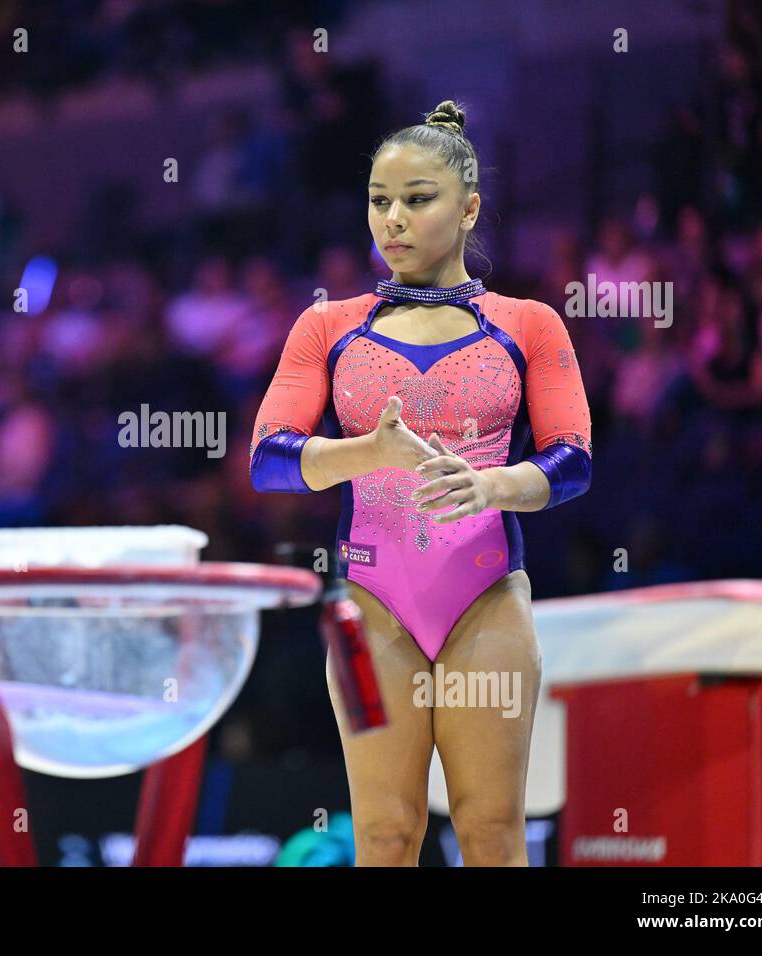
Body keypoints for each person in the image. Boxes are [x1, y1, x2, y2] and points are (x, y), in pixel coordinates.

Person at [248, 100, 592, 866]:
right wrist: (368, 452)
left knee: (492, 832)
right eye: (379, 201)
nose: (392, 220)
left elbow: (573, 461)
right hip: (370, 605)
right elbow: (269, 457)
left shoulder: (527, 324)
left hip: (488, 597)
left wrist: (495, 487)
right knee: (384, 835)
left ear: (469, 208)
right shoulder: (328, 327)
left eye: (417, 199)